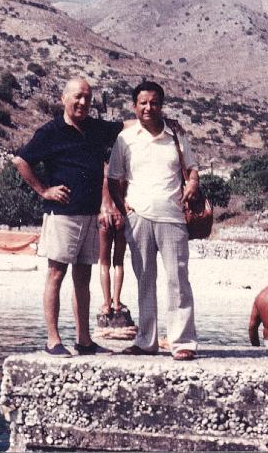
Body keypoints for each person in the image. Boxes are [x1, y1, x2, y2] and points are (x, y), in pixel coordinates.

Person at [12, 78, 132, 357]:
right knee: (56, 273)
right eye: (77, 97)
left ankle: (84, 340)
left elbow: (125, 126)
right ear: (63, 98)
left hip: (90, 212)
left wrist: (161, 120)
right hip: (62, 214)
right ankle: (53, 339)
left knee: (83, 276)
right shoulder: (51, 131)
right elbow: (21, 160)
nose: (83, 103)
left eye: (88, 98)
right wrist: (43, 190)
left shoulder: (94, 128)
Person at [108, 81, 199, 361]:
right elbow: (113, 178)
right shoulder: (125, 139)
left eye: (154, 103)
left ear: (162, 105)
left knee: (177, 279)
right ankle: (146, 340)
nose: (149, 108)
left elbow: (192, 169)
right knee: (144, 280)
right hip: (139, 218)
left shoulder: (176, 137)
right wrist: (124, 208)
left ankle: (182, 342)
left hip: (172, 217)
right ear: (135, 106)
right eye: (143, 103)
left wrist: (193, 183)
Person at [98, 164, 127, 316]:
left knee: (104, 263)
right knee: (119, 262)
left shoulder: (99, 169)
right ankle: (116, 302)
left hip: (104, 215)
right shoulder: (124, 170)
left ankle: (106, 303)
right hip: (120, 216)